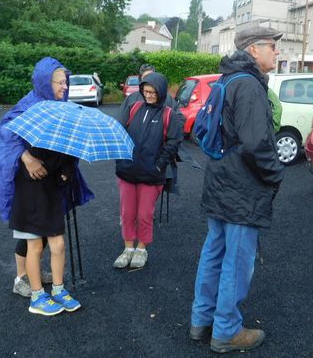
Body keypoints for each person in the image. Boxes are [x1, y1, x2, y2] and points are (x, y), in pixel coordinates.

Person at [189, 26, 285, 353]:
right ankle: (226, 329)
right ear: (254, 50)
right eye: (272, 46)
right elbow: (256, 144)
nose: (276, 52)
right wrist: (275, 175)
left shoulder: (227, 79)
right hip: (242, 186)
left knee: (214, 251)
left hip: (219, 180)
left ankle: (201, 320)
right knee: (237, 259)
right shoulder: (250, 86)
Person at [0, 57, 94, 316]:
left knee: (56, 244)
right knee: (34, 245)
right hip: (29, 186)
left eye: (65, 82)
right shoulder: (29, 106)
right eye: (60, 82)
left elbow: (71, 149)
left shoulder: (64, 108)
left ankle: (58, 290)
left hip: (51, 186)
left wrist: (68, 171)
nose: (64, 87)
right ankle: (35, 293)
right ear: (44, 82)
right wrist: (26, 158)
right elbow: (6, 135)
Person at [113, 72, 183, 269]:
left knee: (144, 214)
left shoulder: (168, 114)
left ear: (160, 92)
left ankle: (141, 249)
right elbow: (120, 132)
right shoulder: (134, 107)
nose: (149, 95)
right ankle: (128, 249)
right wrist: (121, 159)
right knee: (127, 213)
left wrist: (158, 165)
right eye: (145, 91)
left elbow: (173, 143)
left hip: (152, 175)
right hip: (127, 171)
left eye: (153, 92)